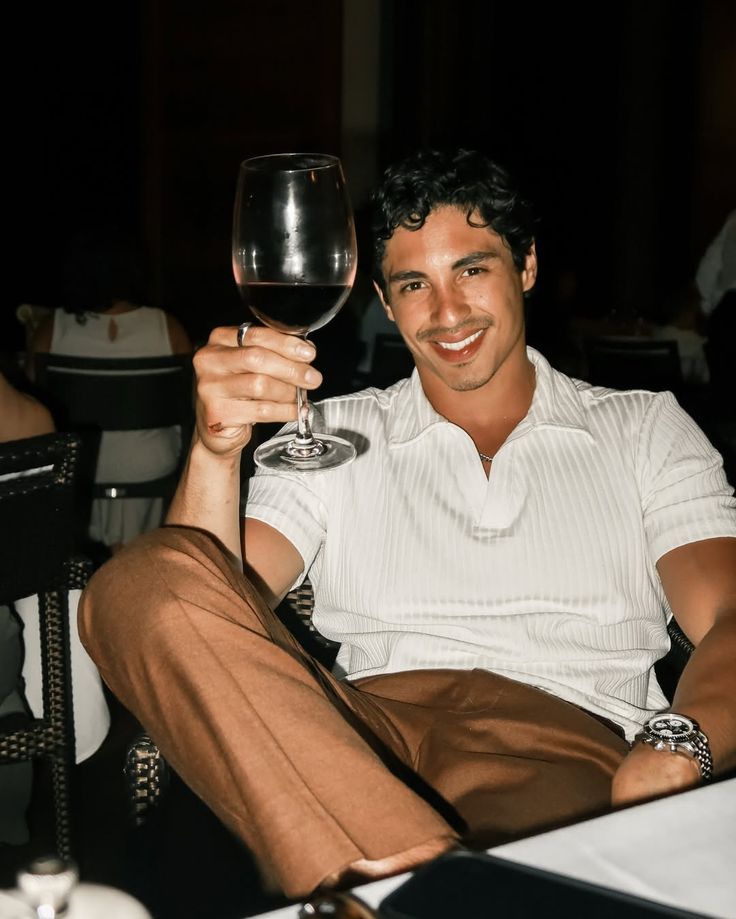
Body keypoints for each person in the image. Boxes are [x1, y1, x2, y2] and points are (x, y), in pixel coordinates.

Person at [78, 150, 736, 899]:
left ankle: (410, 885)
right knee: (135, 580)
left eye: (472, 270)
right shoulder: (336, 429)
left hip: (555, 742)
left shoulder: (643, 428)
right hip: (355, 734)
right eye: (414, 284)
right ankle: (446, 891)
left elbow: (729, 616)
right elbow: (207, 602)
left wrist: (679, 746)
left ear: (526, 265)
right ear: (386, 304)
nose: (446, 311)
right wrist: (215, 447)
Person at [27, 228, 192, 550]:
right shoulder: (168, 328)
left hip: (79, 467)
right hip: (151, 465)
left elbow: (34, 405)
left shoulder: (50, 330)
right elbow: (188, 404)